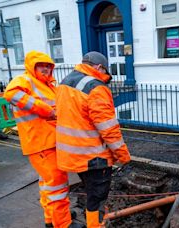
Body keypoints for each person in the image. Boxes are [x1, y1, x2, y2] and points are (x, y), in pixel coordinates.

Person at [3, 51, 79, 228]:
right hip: (41, 142)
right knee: (58, 184)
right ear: (32, 66)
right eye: (41, 65)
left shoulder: (48, 85)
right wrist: (47, 110)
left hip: (49, 142)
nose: (45, 68)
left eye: (48, 65)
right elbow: (11, 94)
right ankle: (63, 223)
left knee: (49, 184)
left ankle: (52, 218)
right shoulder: (25, 80)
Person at [56, 51, 131, 228]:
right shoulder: (96, 87)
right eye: (105, 73)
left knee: (90, 193)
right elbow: (108, 128)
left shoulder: (65, 82)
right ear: (98, 67)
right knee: (97, 200)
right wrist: (123, 155)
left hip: (72, 155)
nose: (105, 78)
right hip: (93, 157)